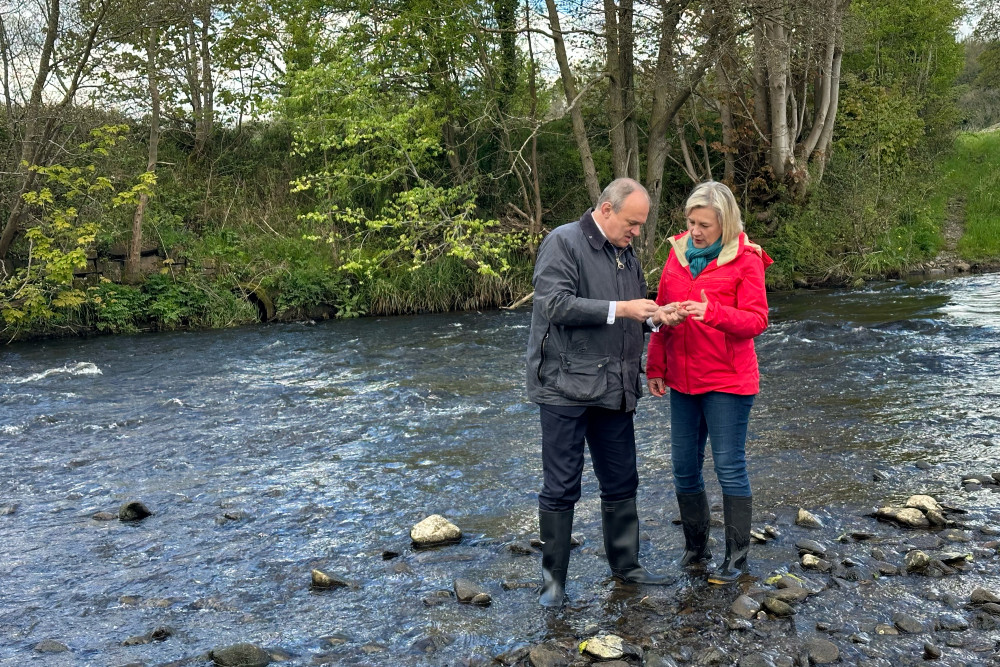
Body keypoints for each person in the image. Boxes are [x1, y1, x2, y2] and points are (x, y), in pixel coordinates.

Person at [526, 178, 675, 606]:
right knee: (560, 487)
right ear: (606, 210)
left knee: (622, 478)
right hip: (562, 387)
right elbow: (553, 304)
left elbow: (631, 313)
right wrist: (623, 309)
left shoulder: (626, 255)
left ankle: (627, 568)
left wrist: (657, 318)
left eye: (641, 225)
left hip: (614, 386)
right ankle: (553, 586)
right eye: (632, 223)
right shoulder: (563, 242)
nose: (636, 232)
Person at [645, 180, 771, 585]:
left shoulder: (746, 259)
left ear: (726, 224)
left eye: (704, 225)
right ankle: (695, 550)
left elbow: (757, 321)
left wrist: (711, 312)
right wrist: (655, 367)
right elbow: (663, 314)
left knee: (729, 467)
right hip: (681, 380)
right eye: (691, 221)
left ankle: (736, 560)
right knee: (684, 468)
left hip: (728, 381)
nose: (695, 232)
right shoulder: (677, 253)